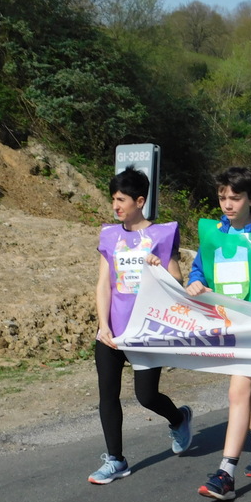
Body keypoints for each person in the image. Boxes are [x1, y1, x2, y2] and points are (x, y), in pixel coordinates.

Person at [187, 167, 251, 500]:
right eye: (222, 198)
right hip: (225, 326)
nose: (228, 204)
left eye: (235, 198)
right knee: (246, 390)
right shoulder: (212, 233)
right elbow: (198, 271)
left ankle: (225, 473)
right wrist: (195, 283)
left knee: (238, 391)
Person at [89, 167, 192, 484]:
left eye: (121, 200)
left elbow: (177, 282)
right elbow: (103, 284)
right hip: (113, 330)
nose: (115, 206)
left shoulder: (161, 235)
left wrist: (160, 269)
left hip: (147, 330)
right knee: (107, 395)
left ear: (140, 201)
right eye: (113, 199)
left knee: (146, 396)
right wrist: (103, 325)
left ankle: (178, 418)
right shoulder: (110, 235)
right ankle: (116, 460)